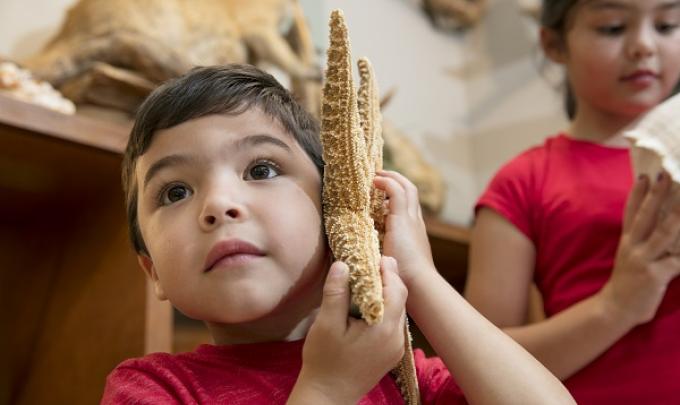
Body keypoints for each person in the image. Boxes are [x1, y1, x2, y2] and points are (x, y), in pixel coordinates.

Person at [101, 64, 573, 404]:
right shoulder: (152, 389)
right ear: (152, 271)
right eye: (175, 191)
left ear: (334, 207)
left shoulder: (404, 377)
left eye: (261, 169)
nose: (219, 205)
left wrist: (419, 278)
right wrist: (328, 390)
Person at [464, 0, 680, 403]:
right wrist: (616, 306)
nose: (644, 46)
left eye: (667, 25)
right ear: (554, 44)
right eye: (613, 28)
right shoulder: (523, 182)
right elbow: (474, 364)